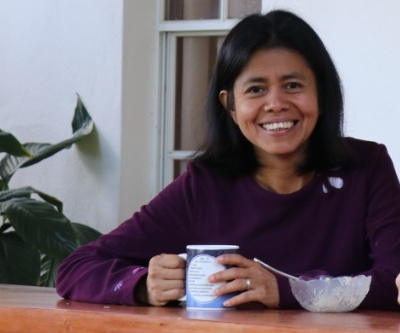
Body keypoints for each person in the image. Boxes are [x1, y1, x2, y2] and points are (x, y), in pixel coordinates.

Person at [56, 9, 400, 310]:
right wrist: (144, 285)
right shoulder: (204, 186)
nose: (276, 103)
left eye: (293, 85)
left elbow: (395, 281)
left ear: (321, 94)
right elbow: (76, 268)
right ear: (230, 106)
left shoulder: (367, 167)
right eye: (255, 89)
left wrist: (285, 290)